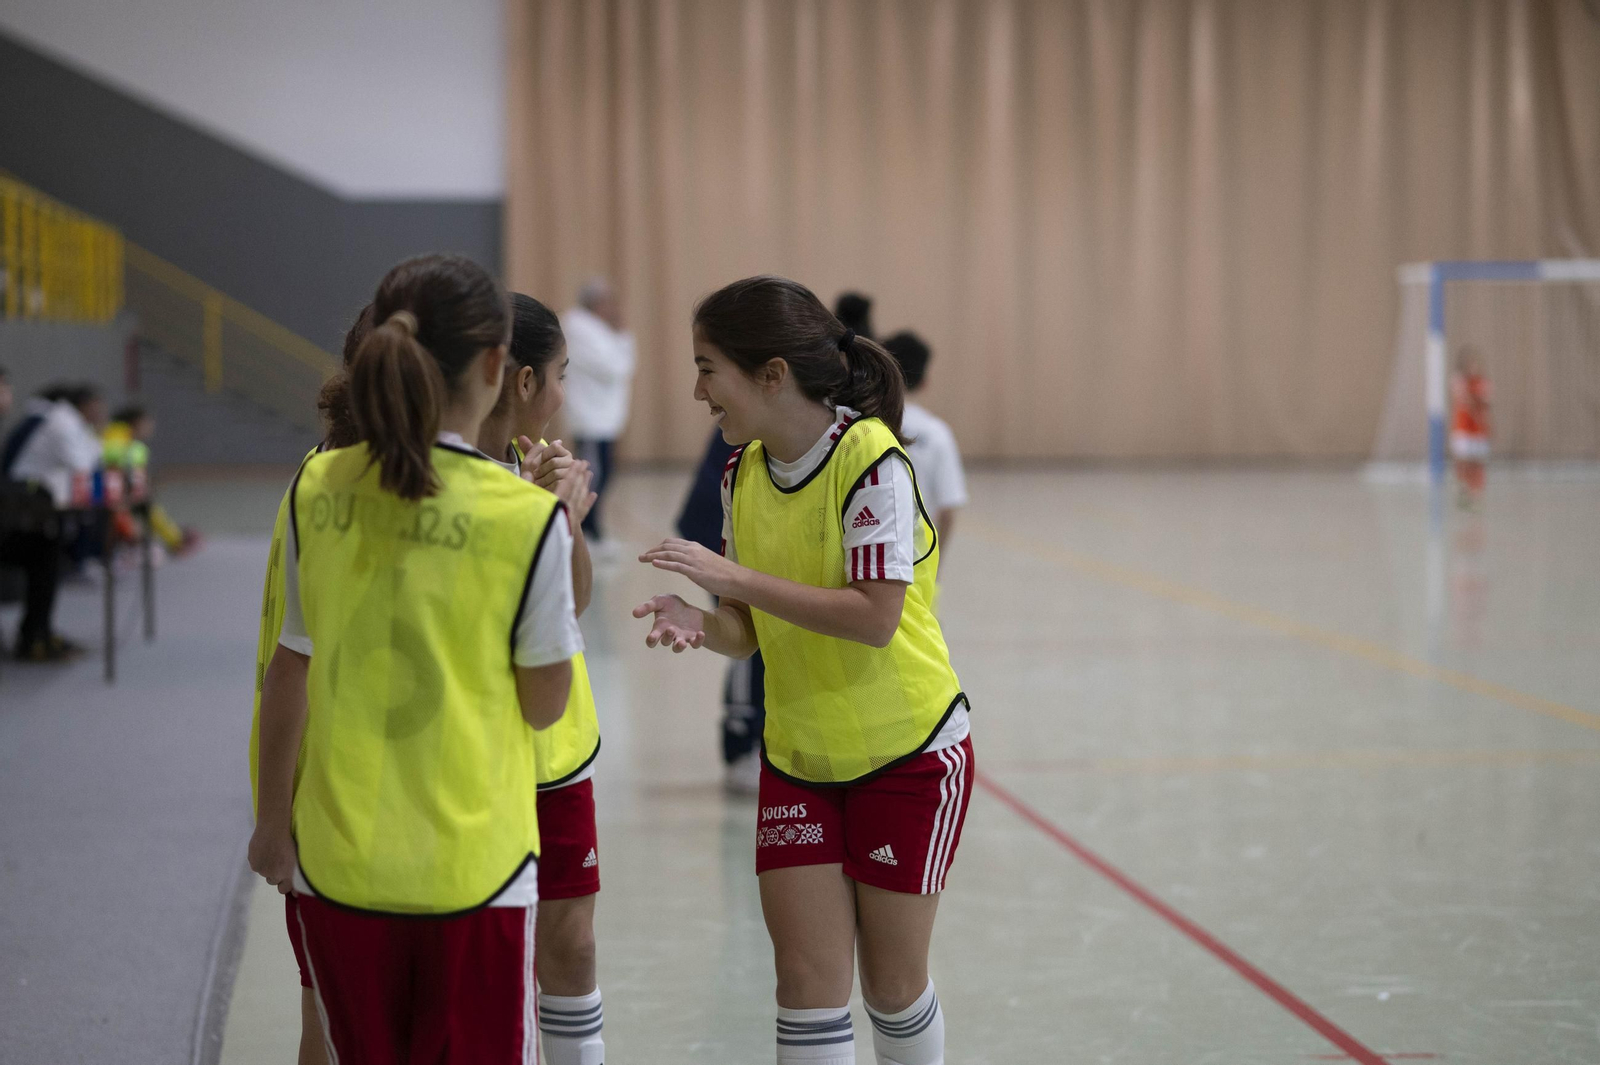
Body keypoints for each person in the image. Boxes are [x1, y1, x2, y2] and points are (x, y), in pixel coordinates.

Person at [249, 254, 581, 1063]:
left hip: (339, 856)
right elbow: (545, 705)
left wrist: (268, 824)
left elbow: (288, 668)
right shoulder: (524, 516)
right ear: (499, 367)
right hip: (475, 866)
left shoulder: (316, 485)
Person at [636, 276, 973, 1065]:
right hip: (797, 759)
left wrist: (733, 582)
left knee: (892, 988)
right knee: (804, 981)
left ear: (772, 375)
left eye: (707, 367)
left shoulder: (871, 462)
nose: (696, 390)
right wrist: (704, 622)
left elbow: (873, 615)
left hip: (908, 754)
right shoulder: (742, 475)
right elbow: (748, 634)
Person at [476, 293, 608, 1065]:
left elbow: (576, 600)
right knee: (493, 961)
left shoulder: (524, 467)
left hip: (559, 752)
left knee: (574, 947)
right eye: (560, 374)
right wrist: (535, 517)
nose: (565, 393)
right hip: (483, 751)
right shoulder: (453, 483)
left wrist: (564, 521)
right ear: (522, 381)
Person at [246, 302, 371, 1065]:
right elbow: (292, 662)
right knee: (325, 1019)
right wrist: (271, 815)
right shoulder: (325, 483)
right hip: (329, 785)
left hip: (342, 787)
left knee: (325, 1015)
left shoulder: (320, 468)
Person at [676, 429, 768, 793]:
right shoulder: (745, 435)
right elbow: (701, 514)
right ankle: (742, 739)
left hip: (756, 544)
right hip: (724, 539)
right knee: (752, 636)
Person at [881, 332, 967, 582]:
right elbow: (948, 509)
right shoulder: (937, 433)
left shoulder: (866, 426)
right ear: (925, 380)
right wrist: (935, 567)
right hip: (918, 564)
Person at [561, 277, 636, 545]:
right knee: (593, 475)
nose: (613, 307)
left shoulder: (597, 329)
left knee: (604, 472)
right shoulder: (579, 327)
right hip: (590, 417)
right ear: (596, 302)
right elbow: (615, 369)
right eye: (608, 301)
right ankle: (585, 530)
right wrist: (621, 336)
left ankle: (592, 529)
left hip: (603, 416)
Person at [102, 404, 203, 557]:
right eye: (147, 422)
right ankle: (136, 543)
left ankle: (172, 538)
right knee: (131, 507)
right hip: (108, 494)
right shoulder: (116, 438)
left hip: (122, 492)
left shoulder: (131, 443)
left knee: (146, 505)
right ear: (135, 422)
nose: (151, 427)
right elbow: (112, 468)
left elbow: (134, 473)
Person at [1451, 348, 1492, 509]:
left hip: (1479, 430)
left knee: (1477, 463)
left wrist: (1487, 424)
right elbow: (1463, 400)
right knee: (1463, 462)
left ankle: (1476, 495)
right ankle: (1463, 491)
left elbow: (1485, 404)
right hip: (1463, 429)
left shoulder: (1482, 383)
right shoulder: (1459, 382)